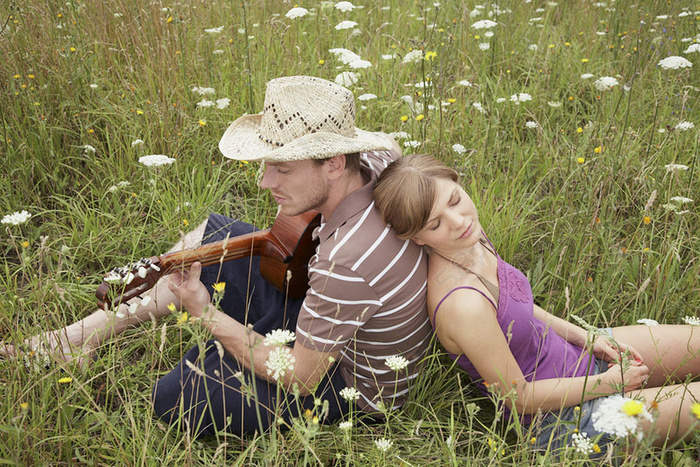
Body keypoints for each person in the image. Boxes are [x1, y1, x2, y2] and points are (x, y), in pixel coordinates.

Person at [1, 76, 432, 437]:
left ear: (335, 163)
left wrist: (206, 314)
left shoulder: (346, 261)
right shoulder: (378, 159)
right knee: (212, 235)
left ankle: (219, 330)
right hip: (330, 305)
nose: (265, 182)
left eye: (281, 169)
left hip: (345, 377)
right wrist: (298, 213)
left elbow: (302, 377)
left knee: (173, 400)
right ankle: (79, 339)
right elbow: (385, 147)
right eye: (268, 165)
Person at [373, 153, 700, 452]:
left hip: (578, 359)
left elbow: (517, 306)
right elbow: (519, 398)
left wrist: (586, 337)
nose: (457, 221)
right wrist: (608, 384)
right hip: (566, 420)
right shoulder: (462, 305)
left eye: (455, 201)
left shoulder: (467, 238)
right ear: (416, 238)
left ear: (458, 182)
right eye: (435, 224)